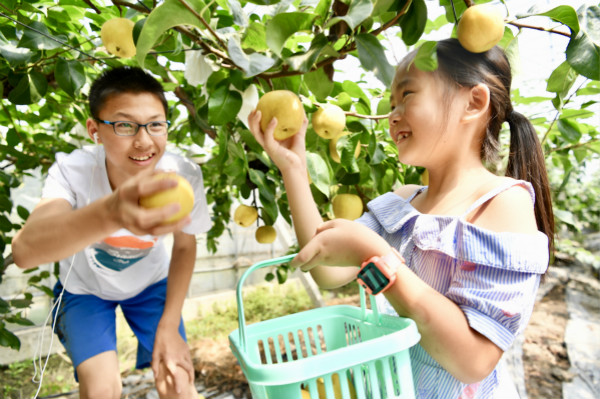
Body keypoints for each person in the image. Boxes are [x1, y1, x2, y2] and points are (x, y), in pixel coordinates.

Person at [248, 38, 554, 398]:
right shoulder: (403, 201)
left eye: (407, 95)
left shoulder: (501, 204)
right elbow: (327, 267)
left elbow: (473, 360)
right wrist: (294, 169)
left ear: (473, 102)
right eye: (392, 102)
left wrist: (376, 257)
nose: (393, 114)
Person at [12, 66, 211, 399]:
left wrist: (170, 325)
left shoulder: (182, 174)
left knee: (178, 382)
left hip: (151, 285)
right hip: (84, 290)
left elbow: (184, 247)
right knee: (101, 389)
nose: (144, 140)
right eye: (124, 125)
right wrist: (112, 211)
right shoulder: (71, 170)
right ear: (95, 129)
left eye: (156, 124)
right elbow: (25, 251)